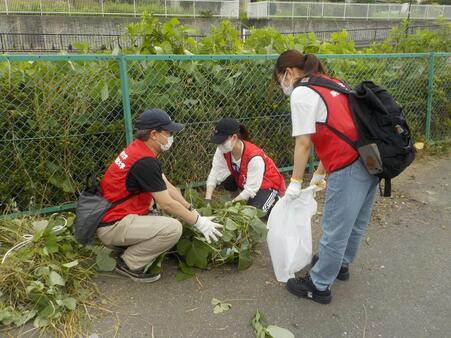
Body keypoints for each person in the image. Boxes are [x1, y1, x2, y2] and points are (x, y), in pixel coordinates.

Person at [273, 50, 379, 304]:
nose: (282, 87)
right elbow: (338, 130)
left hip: (350, 161)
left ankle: (318, 285)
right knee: (355, 220)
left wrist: (296, 183)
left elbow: (303, 143)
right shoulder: (332, 82)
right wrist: (319, 174)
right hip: (372, 154)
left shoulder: (302, 92)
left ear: (287, 73)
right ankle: (340, 264)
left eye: (279, 81)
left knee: (335, 225)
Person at [97, 108, 223, 283]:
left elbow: (168, 187)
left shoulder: (139, 151)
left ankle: (125, 246)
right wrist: (198, 222)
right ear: (154, 134)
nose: (172, 137)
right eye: (169, 132)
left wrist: (191, 210)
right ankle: (128, 263)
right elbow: (167, 204)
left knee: (162, 211)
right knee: (173, 228)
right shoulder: (145, 162)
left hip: (114, 218)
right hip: (113, 226)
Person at [205, 118, 286, 214]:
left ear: (234, 138)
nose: (219, 145)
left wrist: (230, 205)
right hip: (249, 184)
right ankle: (241, 200)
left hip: (268, 185)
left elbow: (251, 189)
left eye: (221, 142)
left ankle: (276, 200)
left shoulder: (254, 157)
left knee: (255, 211)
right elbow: (215, 172)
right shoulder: (223, 150)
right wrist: (207, 199)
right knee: (227, 179)